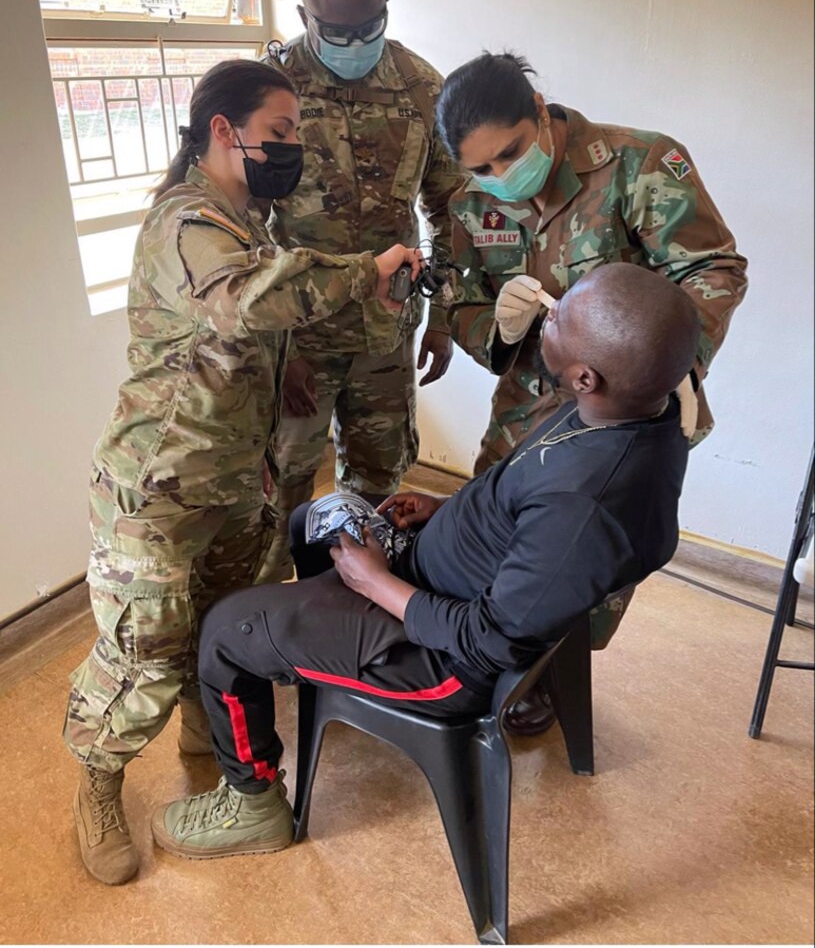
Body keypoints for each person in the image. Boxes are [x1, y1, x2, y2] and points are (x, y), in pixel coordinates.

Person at [149, 262, 700, 860]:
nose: (549, 309)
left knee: (228, 629)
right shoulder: (626, 409)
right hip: (438, 582)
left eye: (561, 316)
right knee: (315, 521)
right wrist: (448, 508)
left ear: (586, 376)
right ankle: (321, 657)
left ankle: (252, 803)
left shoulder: (585, 507)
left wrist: (377, 584)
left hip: (446, 662)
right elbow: (520, 498)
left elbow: (488, 644)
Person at [62, 58, 423, 886]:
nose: (293, 146)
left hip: (237, 480)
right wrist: (365, 269)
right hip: (156, 493)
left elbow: (248, 324)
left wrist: (287, 366)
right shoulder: (185, 220)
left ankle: (207, 742)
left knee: (223, 626)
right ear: (224, 132)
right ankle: (99, 778)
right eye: (282, 131)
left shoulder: (243, 218)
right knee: (142, 655)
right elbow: (245, 299)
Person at [435, 51, 749, 735]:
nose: (498, 178)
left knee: (590, 565)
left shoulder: (637, 164)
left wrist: (679, 365)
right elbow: (460, 305)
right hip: (526, 407)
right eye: (480, 168)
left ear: (540, 114)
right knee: (493, 544)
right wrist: (498, 323)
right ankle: (492, 665)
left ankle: (549, 676)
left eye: (508, 155)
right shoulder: (469, 205)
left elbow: (712, 269)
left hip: (622, 414)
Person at [258, 0, 463, 584]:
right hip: (302, 340)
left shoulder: (420, 88)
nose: (355, 41)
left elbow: (449, 206)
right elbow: (244, 227)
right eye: (337, 30)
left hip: (386, 331)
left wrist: (444, 315)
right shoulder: (269, 93)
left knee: (377, 482)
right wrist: (276, 346)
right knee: (281, 485)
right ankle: (277, 618)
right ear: (303, 18)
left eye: (369, 25)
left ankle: (355, 607)